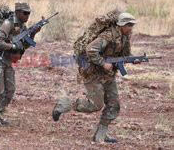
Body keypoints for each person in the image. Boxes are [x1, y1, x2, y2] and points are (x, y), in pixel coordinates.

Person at [52, 12, 140, 143]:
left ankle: (101, 134)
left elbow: (121, 55)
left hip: (108, 75)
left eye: (132, 25)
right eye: (129, 25)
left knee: (114, 105)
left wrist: (132, 60)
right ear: (121, 25)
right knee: (94, 105)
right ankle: (64, 105)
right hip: (93, 73)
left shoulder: (123, 38)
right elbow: (90, 49)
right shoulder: (108, 36)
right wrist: (103, 63)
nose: (131, 28)